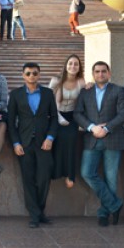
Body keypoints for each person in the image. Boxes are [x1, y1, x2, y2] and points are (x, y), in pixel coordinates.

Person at [73, 61, 124, 227]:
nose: (100, 74)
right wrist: (91, 127)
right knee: (87, 173)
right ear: (93, 74)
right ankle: (115, 205)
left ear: (109, 73)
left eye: (103, 71)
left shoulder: (119, 91)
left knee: (111, 178)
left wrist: (108, 128)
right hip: (92, 139)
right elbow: (78, 113)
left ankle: (105, 213)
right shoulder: (86, 92)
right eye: (97, 72)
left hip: (113, 139)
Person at [8, 62, 58, 228]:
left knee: (44, 177)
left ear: (39, 75)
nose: (31, 76)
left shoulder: (48, 93)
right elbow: (10, 122)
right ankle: (35, 215)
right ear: (23, 75)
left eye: (35, 73)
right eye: (28, 73)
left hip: (44, 142)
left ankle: (39, 211)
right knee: (28, 179)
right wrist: (15, 142)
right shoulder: (15, 95)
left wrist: (50, 138)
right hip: (24, 143)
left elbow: (54, 119)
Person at [48, 54, 85, 189]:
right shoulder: (56, 80)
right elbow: (48, 100)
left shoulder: (81, 82)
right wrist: (57, 117)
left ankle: (70, 175)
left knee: (71, 137)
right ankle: (55, 172)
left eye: (76, 64)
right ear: (65, 65)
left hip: (72, 115)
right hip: (56, 114)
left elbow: (84, 100)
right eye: (70, 63)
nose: (73, 66)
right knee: (56, 138)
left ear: (79, 67)